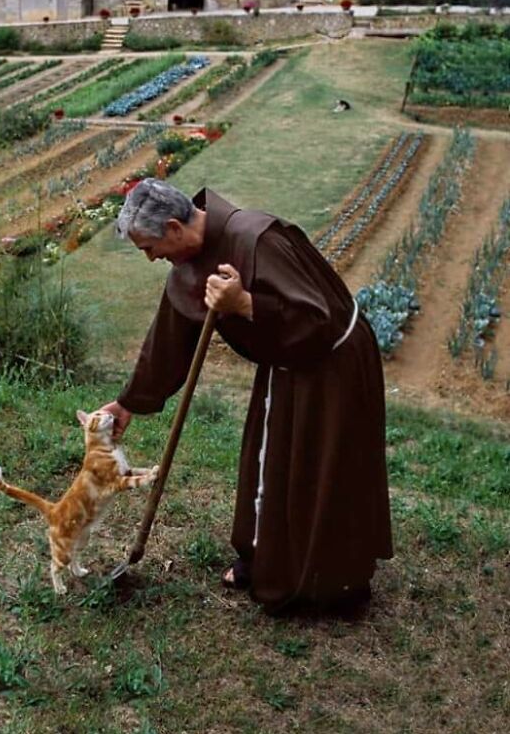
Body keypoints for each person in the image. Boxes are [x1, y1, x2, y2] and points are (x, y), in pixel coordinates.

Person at [101, 180, 393, 616]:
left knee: (322, 471)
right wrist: (127, 404)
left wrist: (246, 304)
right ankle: (264, 556)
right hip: (286, 363)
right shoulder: (190, 261)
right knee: (270, 460)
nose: (151, 258)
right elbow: (167, 342)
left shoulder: (258, 238)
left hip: (331, 366)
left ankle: (330, 583)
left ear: (176, 227)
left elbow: (320, 319)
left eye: (150, 247)